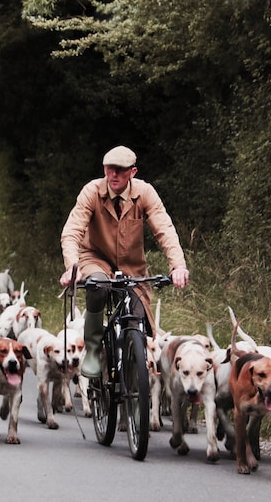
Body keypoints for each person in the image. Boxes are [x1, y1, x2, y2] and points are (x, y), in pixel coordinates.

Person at [58, 146, 190, 378]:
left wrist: (178, 265)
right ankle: (93, 348)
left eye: (120, 170)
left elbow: (165, 229)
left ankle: (133, 368)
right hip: (94, 258)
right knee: (98, 286)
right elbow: (72, 232)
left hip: (132, 265)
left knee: (137, 320)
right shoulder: (92, 191)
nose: (114, 175)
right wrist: (73, 267)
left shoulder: (145, 193)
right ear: (104, 170)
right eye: (110, 169)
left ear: (133, 172)